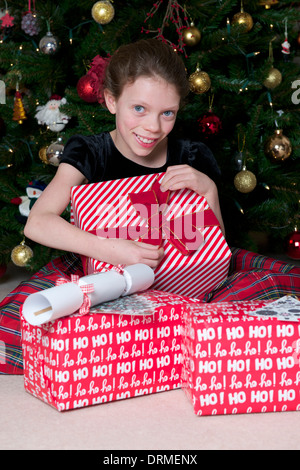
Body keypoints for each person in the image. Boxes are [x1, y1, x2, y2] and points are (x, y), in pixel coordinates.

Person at [24, 38, 225, 267]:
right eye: (139, 109)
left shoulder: (191, 156)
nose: (153, 127)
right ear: (112, 101)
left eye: (167, 113)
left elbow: (214, 252)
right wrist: (109, 249)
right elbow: (37, 223)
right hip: (106, 280)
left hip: (177, 283)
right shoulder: (90, 153)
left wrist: (210, 191)